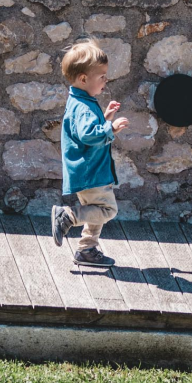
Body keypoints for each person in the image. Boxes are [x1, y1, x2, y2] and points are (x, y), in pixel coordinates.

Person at [50, 38, 129, 267]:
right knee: (107, 210)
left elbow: (88, 131)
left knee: (95, 209)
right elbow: (87, 136)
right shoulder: (83, 106)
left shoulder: (81, 101)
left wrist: (105, 119)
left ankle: (87, 249)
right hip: (90, 171)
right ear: (84, 79)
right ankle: (68, 216)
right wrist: (110, 128)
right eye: (102, 76)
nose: (106, 80)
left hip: (91, 170)